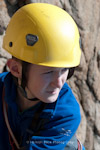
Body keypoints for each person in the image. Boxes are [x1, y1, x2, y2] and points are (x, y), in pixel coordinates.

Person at [0, 3, 85, 150]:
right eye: (48, 72)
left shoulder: (65, 114)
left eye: (64, 70)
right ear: (15, 69)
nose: (58, 83)